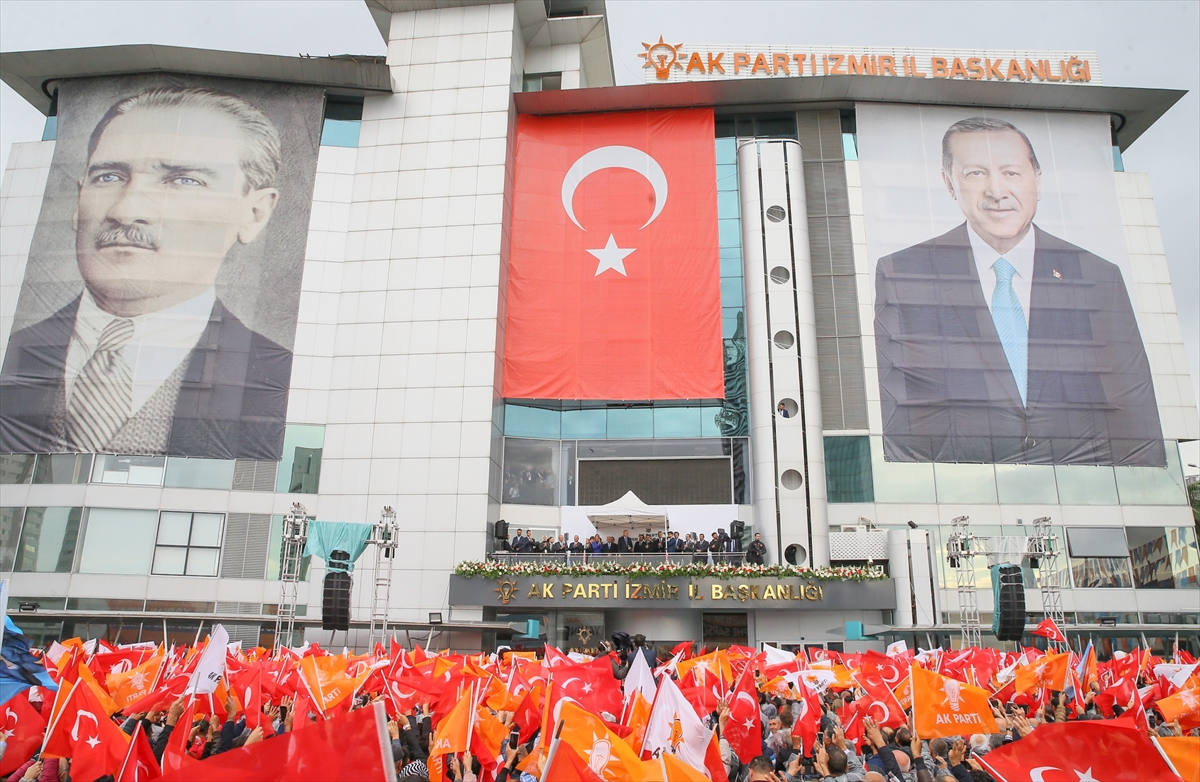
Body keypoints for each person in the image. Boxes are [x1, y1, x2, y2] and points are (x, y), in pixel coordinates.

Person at [0, 86, 294, 460]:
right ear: (78, 200)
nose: (126, 210)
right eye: (108, 177)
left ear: (254, 213)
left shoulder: (278, 378)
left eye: (183, 180)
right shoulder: (10, 353)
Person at [873, 116, 1162, 467]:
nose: (997, 191)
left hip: (1085, 485)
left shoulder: (1098, 275)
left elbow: (1132, 403)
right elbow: (902, 409)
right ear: (949, 184)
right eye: (976, 173)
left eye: (1011, 173)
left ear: (1037, 180)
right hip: (963, 490)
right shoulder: (903, 272)